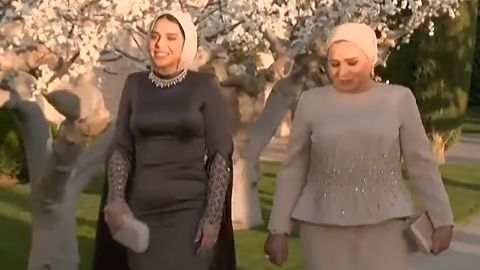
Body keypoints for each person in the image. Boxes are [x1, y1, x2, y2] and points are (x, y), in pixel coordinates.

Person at [264, 22, 454, 270]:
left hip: (385, 223)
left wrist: (442, 218)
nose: (342, 72)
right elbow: (293, 169)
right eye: (335, 64)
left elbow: (421, 163)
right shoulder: (311, 102)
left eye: (352, 63)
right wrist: (278, 228)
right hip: (322, 225)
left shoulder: (398, 99)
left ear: (371, 60)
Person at [91, 10, 236, 270]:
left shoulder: (205, 86)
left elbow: (219, 156)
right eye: (155, 36)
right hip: (140, 215)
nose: (160, 44)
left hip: (189, 213)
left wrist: (213, 218)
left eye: (171, 38)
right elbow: (121, 147)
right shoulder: (134, 85)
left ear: (186, 44)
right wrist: (116, 198)